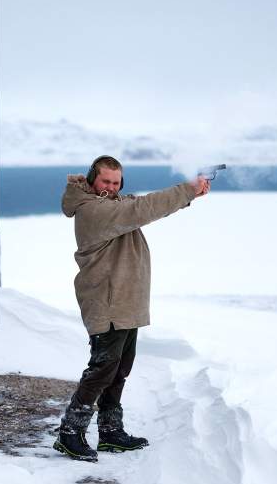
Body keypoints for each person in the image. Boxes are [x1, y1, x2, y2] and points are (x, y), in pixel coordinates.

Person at [53, 155, 210, 462]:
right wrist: (188, 190)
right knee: (102, 371)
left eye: (116, 182)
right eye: (105, 182)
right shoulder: (93, 210)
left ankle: (110, 431)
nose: (111, 188)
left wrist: (189, 194)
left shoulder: (113, 205)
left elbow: (144, 207)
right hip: (108, 302)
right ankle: (70, 433)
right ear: (91, 180)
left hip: (124, 302)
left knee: (119, 370)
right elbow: (143, 208)